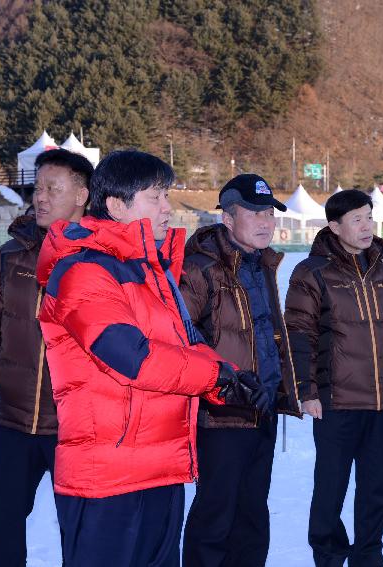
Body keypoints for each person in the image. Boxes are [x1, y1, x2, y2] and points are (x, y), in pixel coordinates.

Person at [36, 149, 263, 567]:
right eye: (155, 197)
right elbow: (132, 358)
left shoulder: (152, 274)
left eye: (167, 195)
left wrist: (233, 377)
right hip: (105, 476)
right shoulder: (84, 272)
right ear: (117, 205)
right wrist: (215, 376)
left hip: (160, 468)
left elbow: (186, 345)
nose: (167, 208)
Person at [0, 149, 93, 566]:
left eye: (51, 189)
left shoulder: (100, 261)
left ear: (81, 195)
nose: (39, 197)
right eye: (36, 187)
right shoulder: (11, 254)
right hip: (12, 423)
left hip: (74, 429)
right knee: (2, 528)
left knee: (81, 531)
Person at [284, 189, 383, 567]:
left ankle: (368, 555)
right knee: (331, 488)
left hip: (380, 403)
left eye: (369, 217)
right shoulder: (313, 272)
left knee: (375, 488)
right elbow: (299, 335)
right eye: (356, 219)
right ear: (334, 226)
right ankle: (328, 555)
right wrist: (306, 391)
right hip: (335, 402)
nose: (366, 226)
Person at [180, 173, 302, 567]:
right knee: (215, 519)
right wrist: (228, 383)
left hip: (262, 412)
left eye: (269, 212)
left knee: (252, 518)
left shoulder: (262, 264)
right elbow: (181, 338)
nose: (266, 221)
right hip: (220, 417)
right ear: (228, 219)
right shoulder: (200, 268)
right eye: (254, 212)